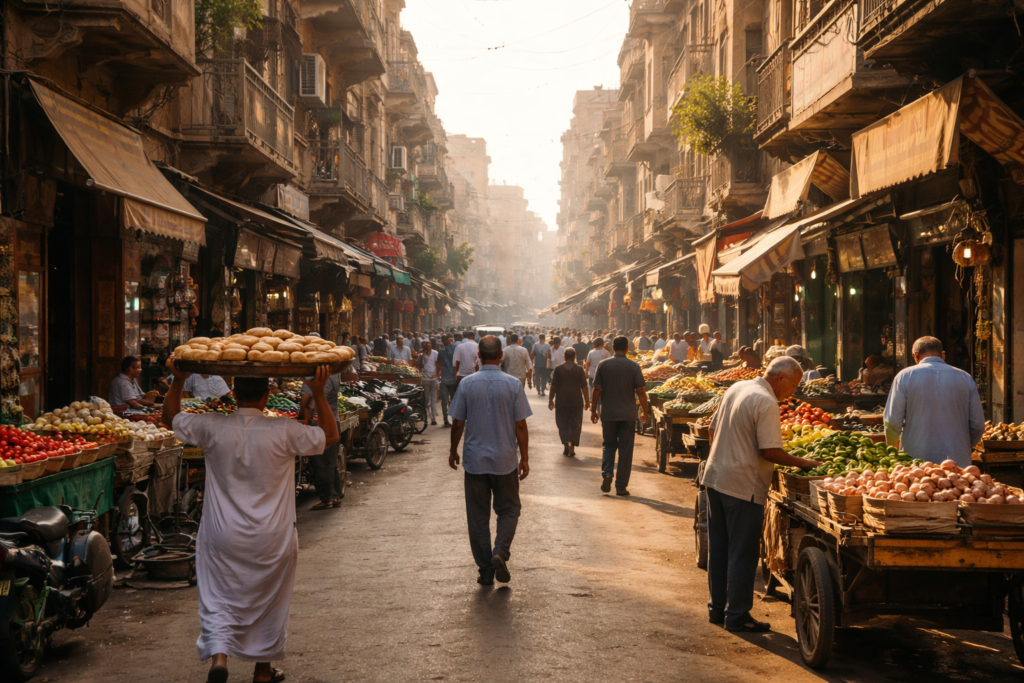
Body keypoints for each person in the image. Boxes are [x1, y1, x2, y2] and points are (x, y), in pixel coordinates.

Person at [163, 361, 339, 683]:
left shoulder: (212, 426)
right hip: (272, 536)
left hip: (222, 534)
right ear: (266, 396)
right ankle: (263, 670)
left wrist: (178, 380)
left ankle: (219, 657)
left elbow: (170, 418)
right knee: (271, 598)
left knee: (218, 595)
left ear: (233, 394)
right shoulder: (283, 430)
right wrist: (317, 392)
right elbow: (329, 435)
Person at [700, 356, 820, 632]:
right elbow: (770, 451)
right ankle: (737, 615)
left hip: (716, 478)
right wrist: (805, 463)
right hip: (743, 486)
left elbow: (711, 428)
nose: (793, 392)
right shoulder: (766, 401)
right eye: (794, 385)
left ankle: (717, 610)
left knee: (719, 550)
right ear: (781, 378)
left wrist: (725, 456)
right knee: (742, 553)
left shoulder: (737, 387)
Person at [448, 336, 531, 586]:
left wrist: (453, 450)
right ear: (501, 356)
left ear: (479, 356)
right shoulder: (513, 385)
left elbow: (458, 423)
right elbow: (520, 425)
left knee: (478, 517)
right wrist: (525, 457)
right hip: (505, 460)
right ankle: (500, 552)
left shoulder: (466, 384)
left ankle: (485, 570)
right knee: (509, 509)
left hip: (475, 462)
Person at [883, 336, 985, 469]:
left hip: (915, 461)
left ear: (916, 355)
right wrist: (963, 445)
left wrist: (892, 449)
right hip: (957, 461)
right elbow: (978, 424)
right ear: (943, 355)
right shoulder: (965, 378)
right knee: (958, 484)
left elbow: (892, 421)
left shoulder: (904, 376)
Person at [590, 336, 648, 496]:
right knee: (625, 450)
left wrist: (593, 410)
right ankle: (621, 487)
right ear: (627, 348)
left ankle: (607, 473)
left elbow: (596, 389)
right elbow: (641, 392)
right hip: (628, 415)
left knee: (608, 445)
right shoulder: (634, 366)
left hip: (608, 413)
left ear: (613, 347)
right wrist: (645, 412)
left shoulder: (603, 365)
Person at [298, 370, 345, 511]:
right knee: (331, 462)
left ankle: (326, 499)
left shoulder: (313, 373)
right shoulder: (335, 371)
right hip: (334, 421)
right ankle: (335, 496)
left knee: (320, 464)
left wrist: (301, 413)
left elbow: (307, 398)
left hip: (319, 423)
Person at [549, 348, 589, 457]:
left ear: (564, 356)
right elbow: (584, 387)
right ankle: (572, 444)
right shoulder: (579, 369)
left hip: (562, 399)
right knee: (575, 422)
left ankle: (566, 443)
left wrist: (550, 399)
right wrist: (587, 401)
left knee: (562, 422)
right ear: (575, 356)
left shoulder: (558, 369)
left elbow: (554, 386)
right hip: (576, 399)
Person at [418, 339, 440, 425]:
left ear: (431, 345)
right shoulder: (421, 354)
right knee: (426, 399)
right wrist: (420, 355)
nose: (426, 346)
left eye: (428, 344)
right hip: (425, 379)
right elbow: (419, 366)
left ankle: (433, 418)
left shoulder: (435, 353)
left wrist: (437, 373)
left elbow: (438, 364)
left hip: (433, 378)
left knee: (433, 399)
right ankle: (427, 416)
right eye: (424, 344)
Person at [438, 335, 459, 428]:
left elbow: (438, 364)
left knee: (446, 401)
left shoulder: (445, 350)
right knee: (448, 401)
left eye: (444, 340)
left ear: (448, 340)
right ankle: (447, 419)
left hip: (449, 378)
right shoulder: (454, 349)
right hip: (448, 378)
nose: (443, 342)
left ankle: (450, 419)